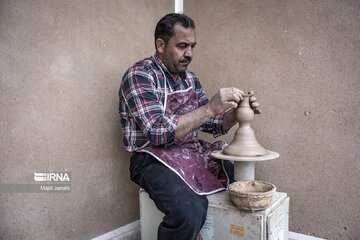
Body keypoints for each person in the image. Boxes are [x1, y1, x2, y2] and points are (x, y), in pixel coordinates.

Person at [119, 13, 260, 240]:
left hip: (190, 151)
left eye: (192, 46)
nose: (189, 54)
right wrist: (210, 108)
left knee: (238, 184)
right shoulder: (140, 75)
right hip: (150, 158)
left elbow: (213, 123)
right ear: (161, 45)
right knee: (189, 211)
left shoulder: (190, 79)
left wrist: (237, 115)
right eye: (182, 46)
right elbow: (157, 132)